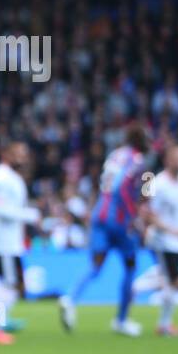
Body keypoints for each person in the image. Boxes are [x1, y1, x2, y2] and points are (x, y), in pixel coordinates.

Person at [60, 124, 151, 336]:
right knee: (130, 266)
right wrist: (134, 215)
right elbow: (140, 193)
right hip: (120, 220)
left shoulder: (115, 155)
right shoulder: (141, 162)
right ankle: (121, 320)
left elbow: (108, 184)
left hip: (99, 213)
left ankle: (70, 298)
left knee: (96, 265)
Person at [0, 141, 39, 344]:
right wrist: (28, 215)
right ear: (7, 155)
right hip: (4, 243)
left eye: (24, 154)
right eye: (18, 154)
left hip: (10, 241)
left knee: (8, 285)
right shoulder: (2, 178)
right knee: (11, 286)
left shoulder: (10, 177)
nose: (22, 158)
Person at [141, 144, 178, 337]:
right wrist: (173, 230)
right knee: (175, 281)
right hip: (162, 239)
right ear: (168, 160)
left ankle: (163, 324)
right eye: (177, 158)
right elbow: (148, 214)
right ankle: (163, 324)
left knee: (173, 281)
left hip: (176, 240)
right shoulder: (157, 182)